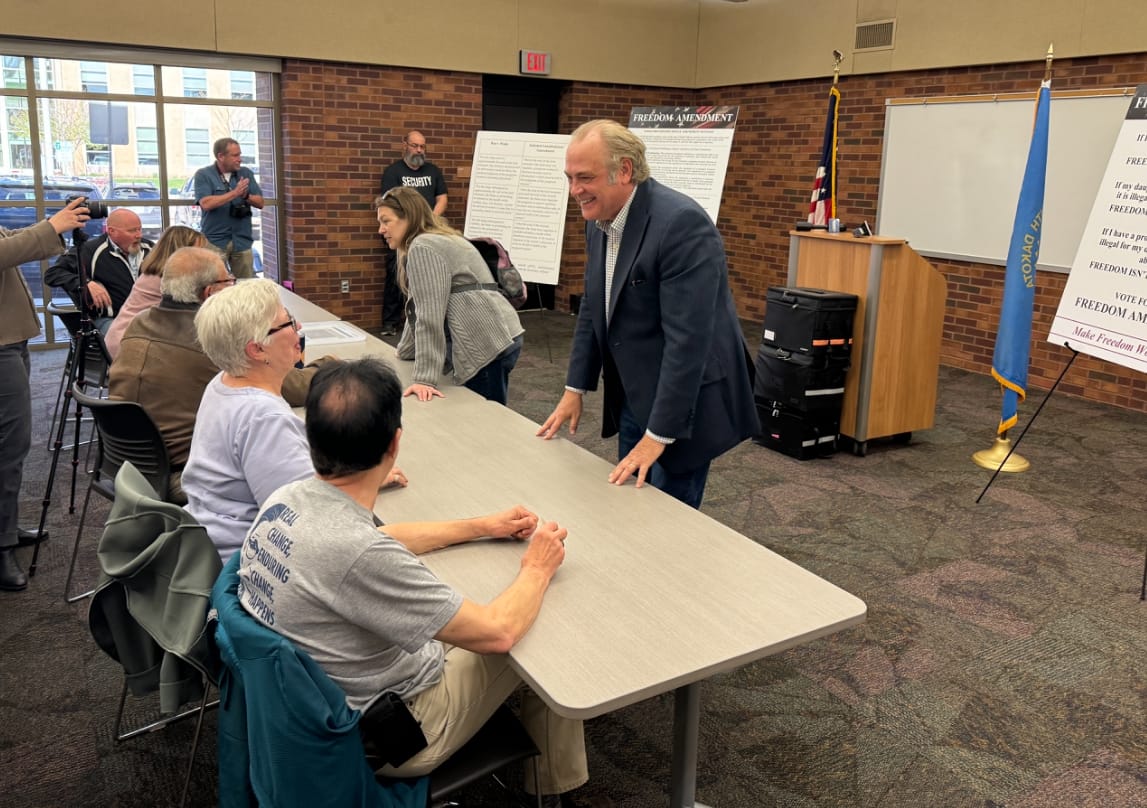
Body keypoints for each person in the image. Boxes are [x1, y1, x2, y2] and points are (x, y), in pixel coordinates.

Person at [238, 357, 588, 804]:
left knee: (500, 597)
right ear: (395, 444)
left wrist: (480, 526)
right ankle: (554, 791)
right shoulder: (356, 554)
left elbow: (380, 538)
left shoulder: (289, 497)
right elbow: (497, 633)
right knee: (534, 619)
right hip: (395, 734)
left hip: (315, 706)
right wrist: (537, 566)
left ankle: (552, 776)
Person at [537, 119, 758, 510]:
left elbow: (688, 341)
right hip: (634, 390)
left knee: (668, 519)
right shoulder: (599, 220)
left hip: (685, 399)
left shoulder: (680, 225)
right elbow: (593, 304)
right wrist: (576, 388)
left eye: (584, 177)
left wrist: (658, 435)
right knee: (632, 503)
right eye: (569, 178)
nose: (575, 191)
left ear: (624, 170)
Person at [108, 248, 330, 504]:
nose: (234, 285)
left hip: (131, 465)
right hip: (184, 476)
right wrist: (330, 365)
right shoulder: (208, 339)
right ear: (210, 292)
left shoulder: (141, 321)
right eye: (229, 280)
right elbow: (292, 388)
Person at [1, 197, 90, 591]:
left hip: (11, 337)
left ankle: (4, 527)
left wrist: (49, 225)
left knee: (13, 445)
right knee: (10, 442)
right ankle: (0, 545)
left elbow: (10, 238)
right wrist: (52, 227)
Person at [375, 188, 523, 404]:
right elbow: (418, 304)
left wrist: (425, 379)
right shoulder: (439, 237)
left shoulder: (423, 246)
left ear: (408, 216)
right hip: (502, 333)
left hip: (486, 342)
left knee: (485, 423)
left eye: (386, 221)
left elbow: (429, 315)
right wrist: (406, 351)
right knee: (489, 415)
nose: (381, 229)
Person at [378, 130, 448, 336]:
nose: (419, 150)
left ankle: (423, 320)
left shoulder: (433, 171)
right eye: (415, 145)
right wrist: (410, 223)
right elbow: (390, 203)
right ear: (405, 145)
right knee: (395, 275)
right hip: (402, 233)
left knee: (426, 276)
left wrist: (429, 220)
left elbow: (442, 198)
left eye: (422, 146)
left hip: (428, 232)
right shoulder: (393, 172)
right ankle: (390, 322)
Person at [45, 208, 154, 335]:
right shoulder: (90, 250)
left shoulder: (150, 249)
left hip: (149, 318)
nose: (139, 235)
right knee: (132, 340)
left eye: (139, 229)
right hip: (110, 319)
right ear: (111, 231)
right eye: (132, 230)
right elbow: (52, 274)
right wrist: (86, 283)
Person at [104, 225, 206, 359]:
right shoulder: (170, 278)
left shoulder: (155, 272)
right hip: (132, 344)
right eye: (198, 251)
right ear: (181, 251)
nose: (203, 256)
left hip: (123, 336)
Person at [193, 137, 264, 279]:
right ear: (221, 156)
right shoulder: (204, 175)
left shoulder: (246, 173)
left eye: (240, 155)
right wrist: (235, 193)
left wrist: (245, 196)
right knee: (212, 282)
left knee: (246, 284)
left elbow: (260, 202)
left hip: (241, 239)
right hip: (215, 240)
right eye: (235, 155)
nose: (240, 159)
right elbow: (206, 204)